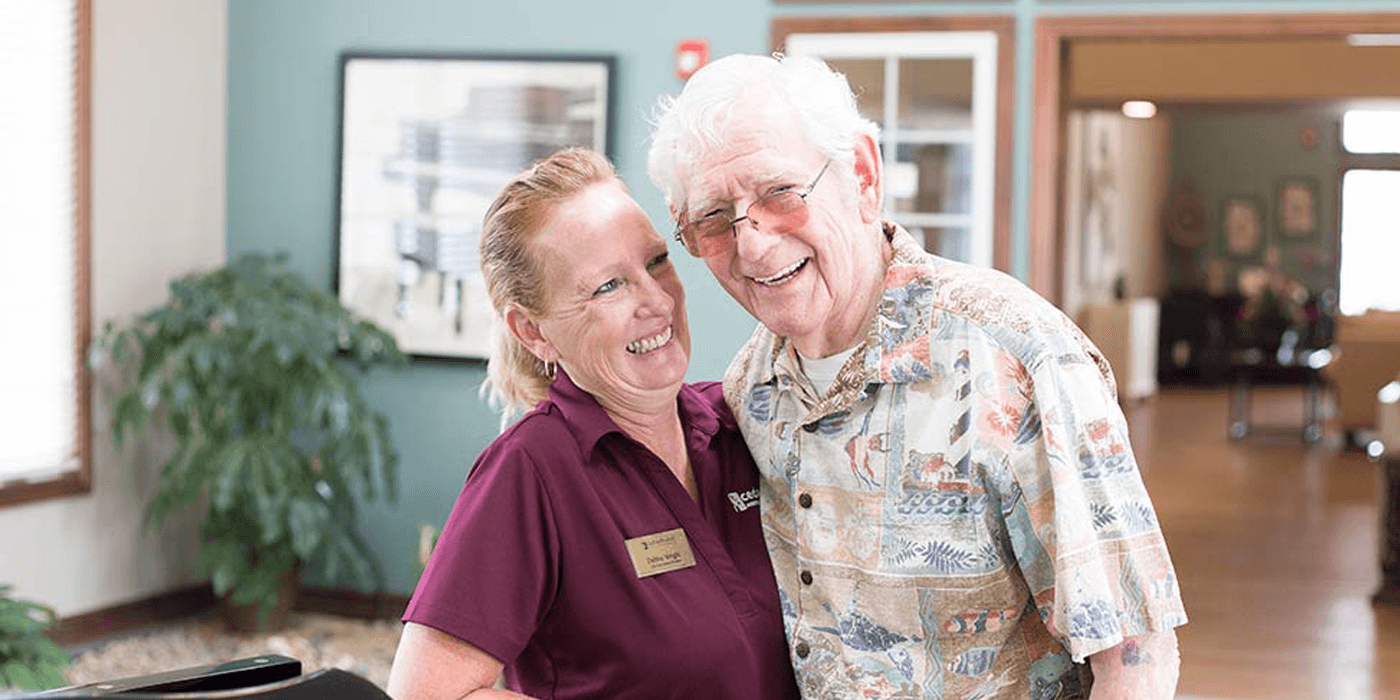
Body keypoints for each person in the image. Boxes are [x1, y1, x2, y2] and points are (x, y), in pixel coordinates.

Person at [646, 54, 1187, 699]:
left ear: (863, 175)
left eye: (780, 193)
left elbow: (1135, 657)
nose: (753, 244)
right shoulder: (750, 388)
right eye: (712, 219)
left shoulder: (1019, 357)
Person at [386, 148, 800, 700]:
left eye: (656, 262)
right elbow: (425, 694)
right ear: (533, 331)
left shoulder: (741, 424)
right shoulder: (532, 470)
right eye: (608, 286)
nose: (656, 300)